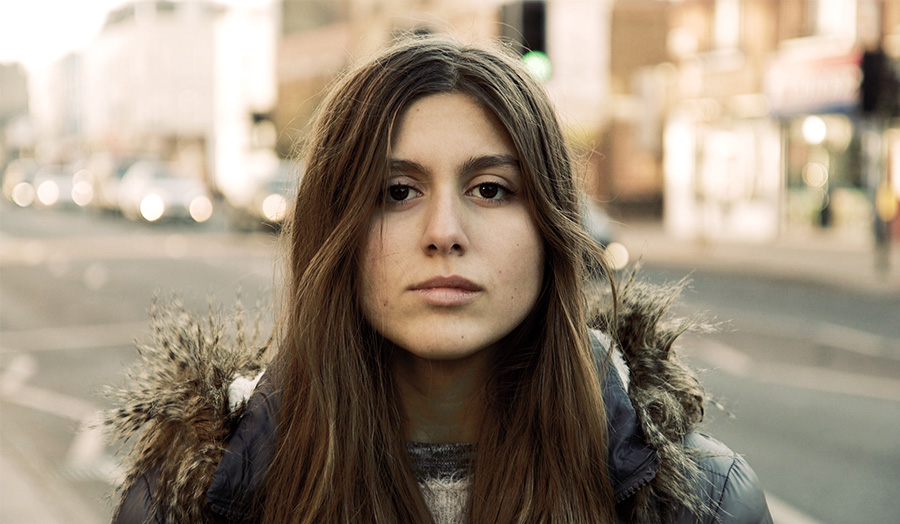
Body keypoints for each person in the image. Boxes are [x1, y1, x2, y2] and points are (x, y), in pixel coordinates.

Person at [107, 35, 772, 524]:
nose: (444, 231)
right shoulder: (185, 501)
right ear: (332, 233)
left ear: (550, 227)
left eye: (490, 189)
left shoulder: (703, 504)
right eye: (396, 191)